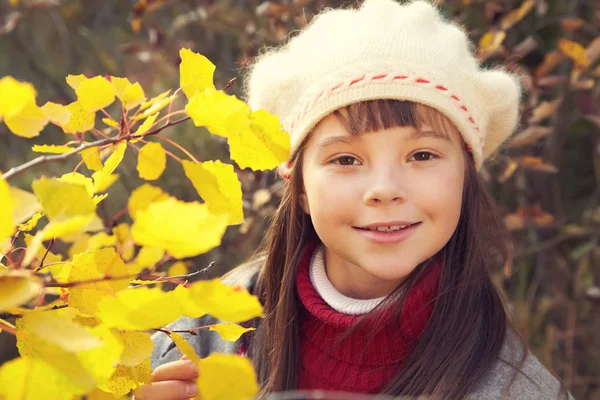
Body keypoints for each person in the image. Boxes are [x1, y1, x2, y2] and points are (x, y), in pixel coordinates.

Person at [143, 0, 575, 399]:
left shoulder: (517, 389)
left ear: (465, 176)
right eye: (346, 158)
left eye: (421, 154)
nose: (385, 188)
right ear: (300, 188)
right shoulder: (201, 334)